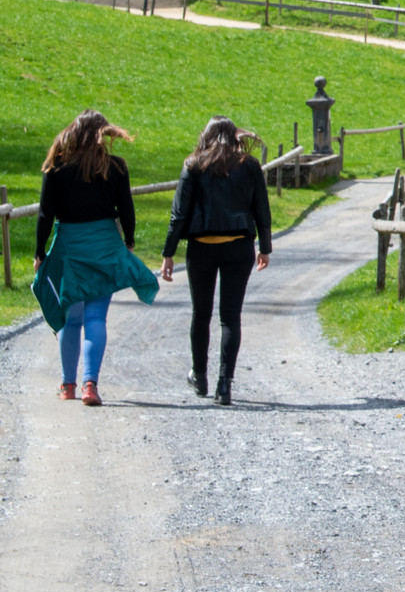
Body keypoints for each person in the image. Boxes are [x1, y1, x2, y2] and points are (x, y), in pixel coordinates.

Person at [32, 110, 159, 406]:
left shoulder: (57, 167)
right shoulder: (115, 167)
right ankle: (91, 384)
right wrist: (128, 240)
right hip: (104, 245)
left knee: (71, 319)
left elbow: (45, 214)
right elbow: (126, 208)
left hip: (70, 249)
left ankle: (67, 385)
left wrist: (39, 251)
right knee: (95, 318)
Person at [160, 117, 272, 406]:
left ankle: (200, 377)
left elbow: (179, 214)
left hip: (201, 248)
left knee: (201, 314)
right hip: (239, 247)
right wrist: (265, 247)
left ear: (206, 135)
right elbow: (262, 208)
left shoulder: (194, 165)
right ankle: (225, 384)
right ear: (234, 136)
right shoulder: (249, 166)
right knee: (230, 317)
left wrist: (168, 253)